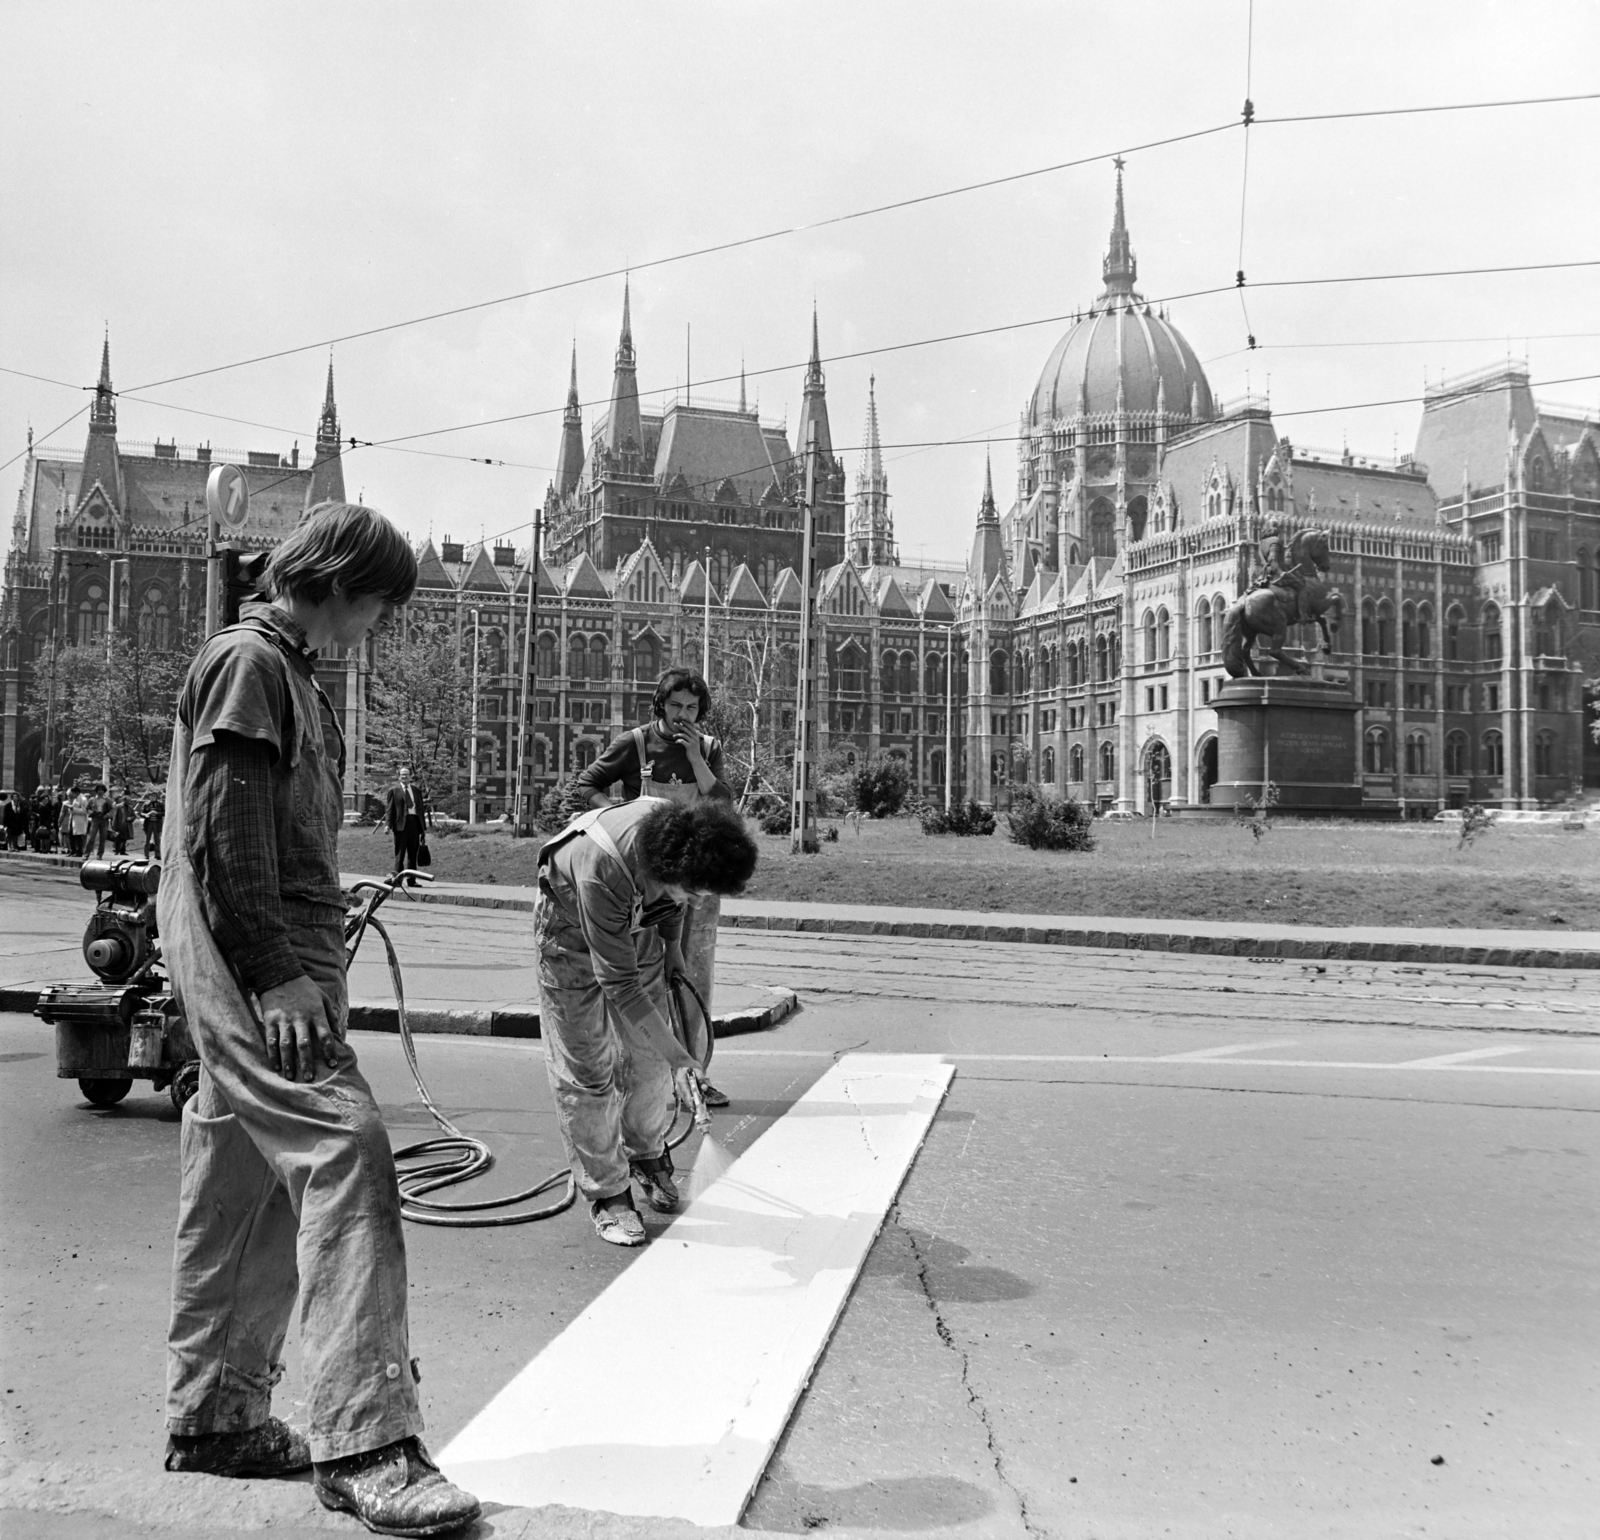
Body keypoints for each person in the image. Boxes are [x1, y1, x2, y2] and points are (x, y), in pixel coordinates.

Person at [157, 501, 479, 1535]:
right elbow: (225, 830)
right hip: (262, 974)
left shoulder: (282, 669)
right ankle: (366, 1438)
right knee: (348, 1154)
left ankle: (215, 1414)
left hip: (268, 964)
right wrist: (276, 973)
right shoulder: (252, 663)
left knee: (241, 1186)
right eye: (377, 608)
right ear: (341, 581)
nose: (373, 630)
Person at [535, 796, 758, 1246]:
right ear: (666, 868)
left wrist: (672, 949)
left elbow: (673, 904)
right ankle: (609, 1195)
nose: (698, 900)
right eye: (695, 891)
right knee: (587, 1070)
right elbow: (621, 988)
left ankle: (647, 1154)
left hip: (635, 931)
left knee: (649, 1062)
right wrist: (681, 1055)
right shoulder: (603, 865)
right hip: (571, 935)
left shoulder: (681, 837)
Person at [570, 667, 733, 1097]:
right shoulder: (636, 743)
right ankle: (652, 1078)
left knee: (694, 975)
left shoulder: (709, 749)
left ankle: (698, 1077)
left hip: (694, 883)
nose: (684, 715)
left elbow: (723, 808)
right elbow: (587, 783)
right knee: (642, 975)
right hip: (642, 881)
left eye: (693, 708)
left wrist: (697, 758)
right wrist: (615, 819)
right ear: (660, 705)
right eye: (676, 705)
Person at [384, 766, 429, 884]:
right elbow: (390, 810)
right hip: (400, 825)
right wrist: (388, 825)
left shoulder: (417, 791)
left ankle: (411, 880)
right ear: (399, 776)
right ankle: (397, 880)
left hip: (414, 823)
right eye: (402, 774)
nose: (404, 776)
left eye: (407, 774)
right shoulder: (393, 791)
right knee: (400, 854)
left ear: (410, 776)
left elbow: (420, 810)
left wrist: (423, 828)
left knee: (413, 854)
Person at [85, 782, 111, 860]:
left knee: (102, 838)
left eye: (102, 790)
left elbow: (113, 809)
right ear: (96, 791)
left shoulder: (108, 800)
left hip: (104, 820)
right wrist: (91, 813)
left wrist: (107, 815)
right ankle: (86, 854)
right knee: (91, 838)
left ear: (104, 791)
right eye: (99, 789)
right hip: (95, 819)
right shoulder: (92, 800)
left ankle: (100, 854)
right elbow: (87, 808)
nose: (100, 791)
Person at [139, 788, 166, 860]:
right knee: (147, 840)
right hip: (148, 823)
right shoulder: (146, 804)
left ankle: (157, 855)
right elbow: (141, 813)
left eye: (154, 796)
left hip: (157, 823)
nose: (153, 798)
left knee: (157, 839)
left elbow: (164, 813)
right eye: (152, 796)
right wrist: (146, 814)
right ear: (150, 797)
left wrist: (157, 813)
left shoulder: (160, 804)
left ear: (156, 797)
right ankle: (146, 855)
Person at [110, 786, 135, 856]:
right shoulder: (119, 806)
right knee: (118, 838)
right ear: (124, 800)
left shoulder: (130, 808)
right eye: (128, 801)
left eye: (129, 801)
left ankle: (122, 851)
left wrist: (131, 818)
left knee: (124, 839)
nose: (129, 802)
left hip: (127, 825)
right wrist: (114, 825)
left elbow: (134, 816)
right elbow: (115, 816)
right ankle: (116, 850)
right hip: (119, 825)